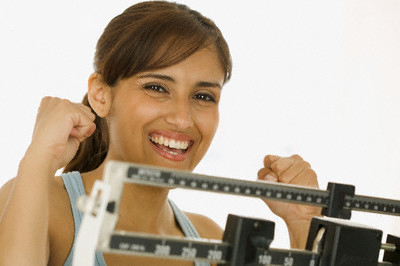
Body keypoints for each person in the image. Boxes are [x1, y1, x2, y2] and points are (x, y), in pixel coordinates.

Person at [0, 1, 320, 265]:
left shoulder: (210, 242)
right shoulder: (40, 202)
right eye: (156, 87)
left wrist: (304, 222)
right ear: (101, 94)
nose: (182, 118)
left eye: (203, 96)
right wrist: (38, 159)